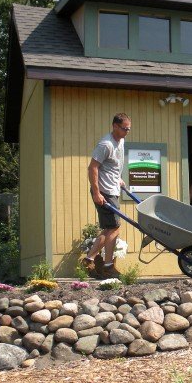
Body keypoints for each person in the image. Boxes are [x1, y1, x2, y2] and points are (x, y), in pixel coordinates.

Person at [81, 112, 130, 279]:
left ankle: (91, 260)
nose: (127, 132)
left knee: (110, 228)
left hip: (112, 189)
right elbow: (92, 168)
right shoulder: (105, 144)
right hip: (104, 192)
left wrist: (118, 179)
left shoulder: (121, 140)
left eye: (129, 129)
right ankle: (106, 265)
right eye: (124, 128)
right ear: (115, 126)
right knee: (114, 228)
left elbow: (113, 166)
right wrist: (96, 192)